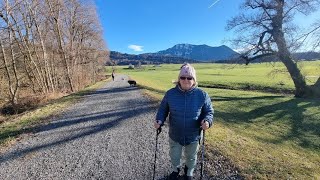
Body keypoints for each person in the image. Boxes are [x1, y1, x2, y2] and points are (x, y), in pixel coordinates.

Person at [154, 63, 214, 180]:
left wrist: (207, 121)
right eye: (183, 77)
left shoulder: (202, 95)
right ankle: (175, 170)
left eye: (189, 77)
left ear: (194, 80)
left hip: (194, 135)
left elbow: (209, 112)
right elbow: (163, 109)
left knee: (191, 157)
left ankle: (189, 172)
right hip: (175, 134)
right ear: (179, 79)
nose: (186, 80)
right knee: (174, 155)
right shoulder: (170, 94)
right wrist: (159, 120)